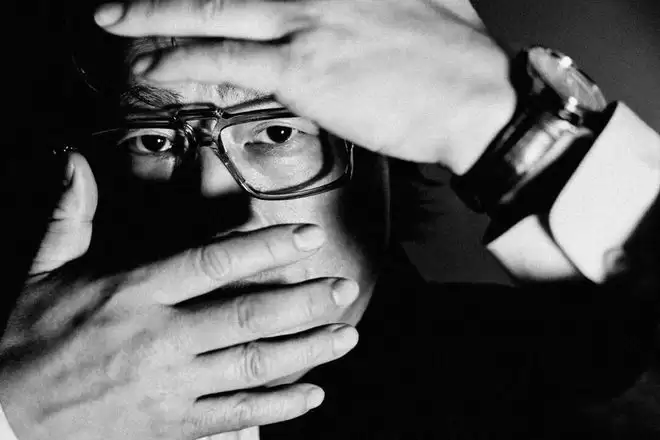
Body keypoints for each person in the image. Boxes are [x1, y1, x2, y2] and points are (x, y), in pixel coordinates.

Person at [1, 0, 659, 439]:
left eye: (277, 131)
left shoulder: (553, 383)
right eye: (155, 140)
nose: (214, 203)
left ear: (384, 159)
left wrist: (503, 123)